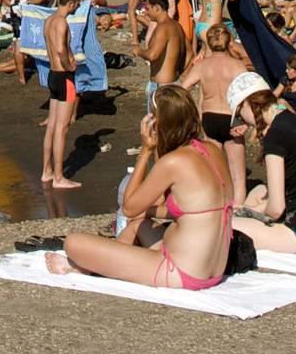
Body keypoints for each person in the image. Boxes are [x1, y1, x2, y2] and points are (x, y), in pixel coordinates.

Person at [49, 85, 233, 291]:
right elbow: (175, 207)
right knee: (139, 224)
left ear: (158, 123)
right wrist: (147, 212)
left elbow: (128, 207)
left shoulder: (173, 162)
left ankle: (89, 266)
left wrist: (146, 151)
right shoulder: (212, 151)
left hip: (179, 272)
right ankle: (98, 264)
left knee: (73, 243)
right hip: (212, 272)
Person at [226, 70, 296, 256]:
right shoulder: (293, 120)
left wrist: (251, 211)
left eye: (239, 114)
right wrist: (251, 209)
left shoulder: (275, 136)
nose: (243, 122)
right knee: (259, 192)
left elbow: (276, 209)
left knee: (225, 228)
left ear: (247, 104)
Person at [182, 22, 248, 205]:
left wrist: (192, 116)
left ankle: (216, 208)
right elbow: (250, 95)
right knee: (238, 177)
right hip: (232, 118)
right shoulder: (237, 66)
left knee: (214, 172)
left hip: (210, 117)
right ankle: (238, 212)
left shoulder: (202, 66)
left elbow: (183, 89)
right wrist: (248, 123)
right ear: (229, 42)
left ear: (209, 43)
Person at [42, 0, 82, 189]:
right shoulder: (61, 22)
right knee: (62, 128)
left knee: (52, 126)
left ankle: (47, 171)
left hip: (52, 76)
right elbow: (60, 49)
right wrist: (69, 66)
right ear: (71, 4)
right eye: (78, 3)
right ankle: (58, 176)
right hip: (64, 77)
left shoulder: (49, 20)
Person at [137, 0, 186, 112]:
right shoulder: (177, 26)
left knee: (156, 129)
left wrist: (139, 51)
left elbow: (152, 55)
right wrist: (180, 72)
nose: (146, 12)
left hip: (161, 87)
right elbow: (190, 54)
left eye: (148, 9)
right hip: (174, 83)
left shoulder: (163, 27)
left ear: (157, 8)